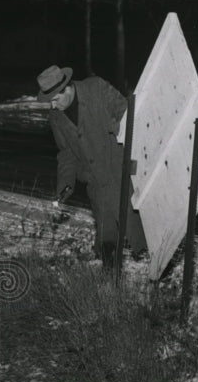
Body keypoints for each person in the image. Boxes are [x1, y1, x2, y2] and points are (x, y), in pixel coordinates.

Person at [36, 65, 147, 266]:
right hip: (95, 180)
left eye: (55, 99)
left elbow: (128, 113)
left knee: (138, 229)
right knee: (106, 234)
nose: (52, 106)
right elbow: (66, 152)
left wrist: (114, 127)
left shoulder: (96, 89)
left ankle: (158, 275)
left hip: (121, 171)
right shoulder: (56, 117)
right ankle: (109, 282)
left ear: (67, 88)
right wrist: (66, 183)